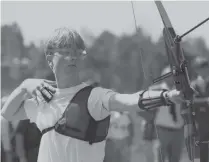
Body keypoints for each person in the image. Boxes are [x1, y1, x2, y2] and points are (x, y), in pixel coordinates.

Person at [1, 27, 184, 162]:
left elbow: (128, 100)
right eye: (65, 52)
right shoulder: (44, 99)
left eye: (76, 53)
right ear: (50, 59)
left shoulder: (94, 96)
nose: (72, 57)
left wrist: (167, 96)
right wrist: (25, 85)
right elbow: (7, 114)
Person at [150, 66, 185, 162]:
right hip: (162, 130)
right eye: (168, 76)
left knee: (175, 159)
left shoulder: (181, 91)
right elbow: (147, 110)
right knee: (160, 158)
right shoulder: (155, 90)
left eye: (173, 75)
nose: (171, 78)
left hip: (178, 130)